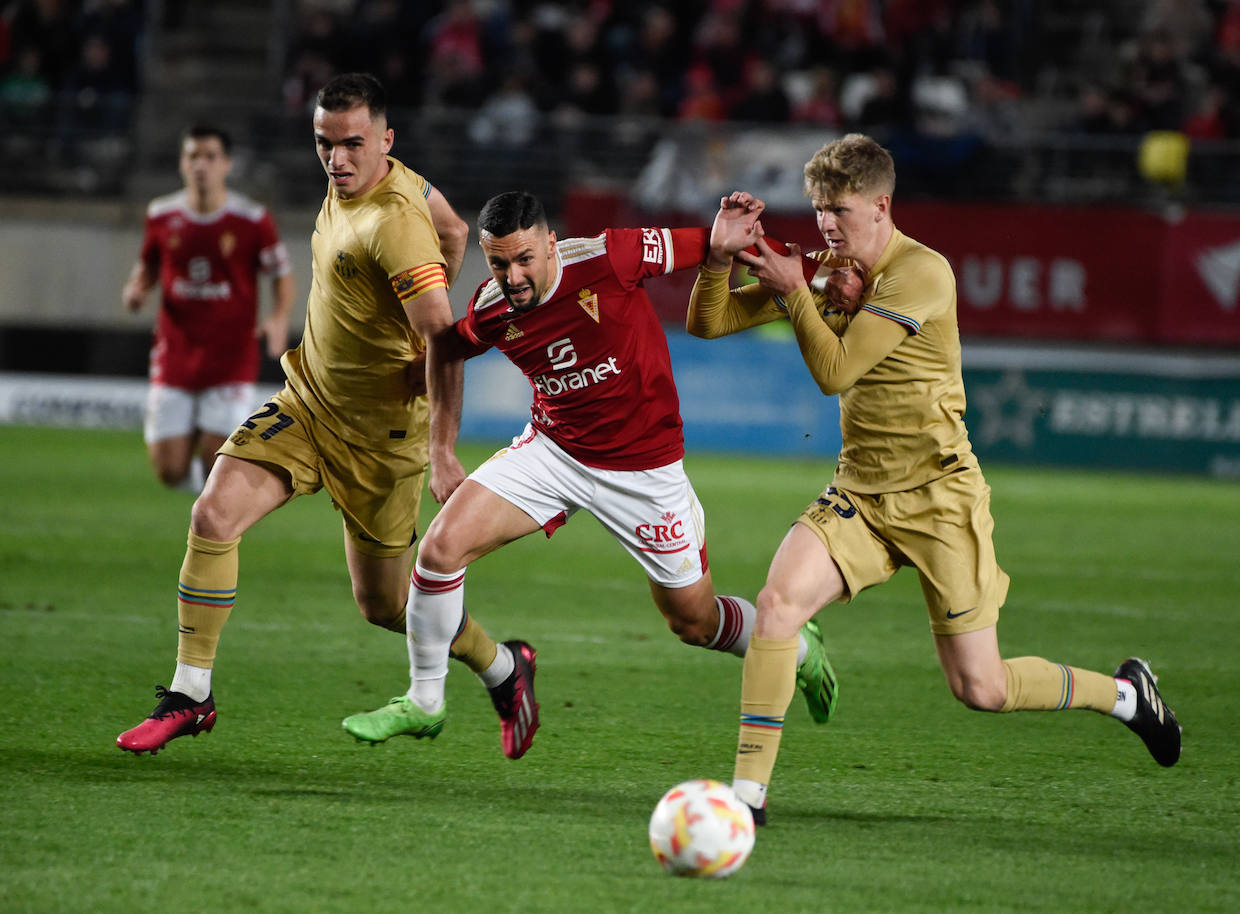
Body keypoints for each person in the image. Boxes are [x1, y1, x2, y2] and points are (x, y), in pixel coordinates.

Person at [687, 133, 1182, 824]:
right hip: (860, 493)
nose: (827, 224)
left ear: (881, 205)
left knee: (981, 687)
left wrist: (797, 294)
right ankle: (747, 800)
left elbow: (835, 372)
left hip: (940, 498)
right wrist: (717, 263)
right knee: (775, 606)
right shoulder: (828, 272)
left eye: (841, 209)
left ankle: (1127, 695)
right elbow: (706, 322)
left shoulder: (922, 273)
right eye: (820, 208)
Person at [339, 191, 839, 759]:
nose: (513, 276)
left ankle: (797, 649)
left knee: (693, 621)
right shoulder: (492, 307)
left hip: (645, 470)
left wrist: (823, 279)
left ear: (551, 245)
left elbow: (723, 244)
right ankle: (425, 701)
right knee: (439, 549)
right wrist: (442, 447)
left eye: (525, 259)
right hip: (555, 453)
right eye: (499, 263)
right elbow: (447, 349)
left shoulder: (609, 259)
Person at [116, 72, 476, 755]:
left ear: (385, 141)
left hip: (382, 434)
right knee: (212, 514)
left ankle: (499, 662)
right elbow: (454, 224)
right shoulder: (384, 176)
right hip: (309, 403)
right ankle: (190, 693)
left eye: (352, 145)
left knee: (385, 607)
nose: (336, 160)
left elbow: (444, 338)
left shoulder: (395, 226)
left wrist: (442, 450)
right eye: (325, 143)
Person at [122, 124, 296, 493]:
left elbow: (282, 273)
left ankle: (210, 518)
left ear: (227, 164)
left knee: (216, 462)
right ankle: (201, 484)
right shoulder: (161, 214)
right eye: (193, 156)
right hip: (175, 352)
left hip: (230, 356)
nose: (201, 164)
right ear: (182, 164)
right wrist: (138, 287)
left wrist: (279, 316)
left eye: (210, 156)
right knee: (169, 472)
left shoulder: (251, 219)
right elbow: (150, 264)